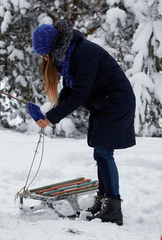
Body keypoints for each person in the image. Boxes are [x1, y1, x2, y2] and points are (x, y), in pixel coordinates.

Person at [27, 19, 136, 226]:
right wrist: (48, 115)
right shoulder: (69, 54)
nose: (45, 59)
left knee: (104, 153)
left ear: (52, 47)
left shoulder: (83, 53)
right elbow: (70, 89)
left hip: (116, 103)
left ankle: (113, 207)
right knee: (100, 152)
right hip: (104, 104)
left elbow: (79, 94)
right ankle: (103, 200)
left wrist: (51, 118)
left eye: (45, 55)